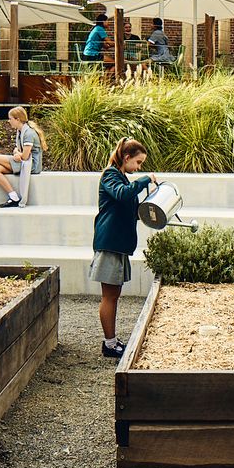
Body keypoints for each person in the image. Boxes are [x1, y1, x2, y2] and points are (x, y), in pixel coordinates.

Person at [91, 138, 156, 359]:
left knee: (114, 294)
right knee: (109, 296)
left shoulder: (122, 178)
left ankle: (112, 340)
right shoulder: (111, 175)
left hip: (118, 244)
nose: (139, 168)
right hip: (110, 243)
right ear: (126, 158)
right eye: (138, 163)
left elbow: (131, 207)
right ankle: (109, 345)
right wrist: (144, 180)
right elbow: (121, 194)